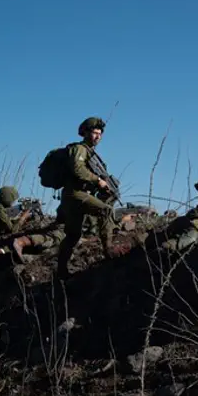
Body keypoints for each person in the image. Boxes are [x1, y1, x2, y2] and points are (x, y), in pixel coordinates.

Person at [55, 117, 119, 278]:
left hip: (77, 194)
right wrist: (98, 181)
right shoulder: (80, 149)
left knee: (73, 235)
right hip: (75, 193)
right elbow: (78, 170)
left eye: (100, 134)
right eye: (94, 133)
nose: (97, 136)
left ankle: (61, 271)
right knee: (106, 211)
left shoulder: (90, 152)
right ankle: (109, 252)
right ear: (85, 133)